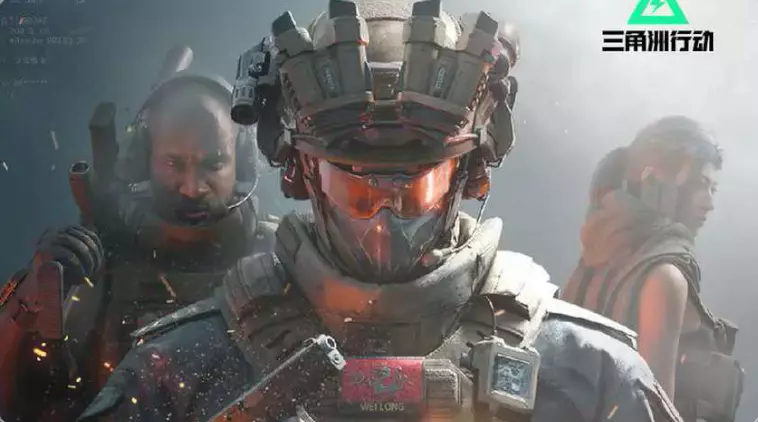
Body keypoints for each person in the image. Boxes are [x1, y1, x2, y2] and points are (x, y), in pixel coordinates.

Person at [78, 1, 682, 421]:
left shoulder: (585, 367)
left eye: (414, 187)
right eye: (358, 190)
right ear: (303, 172)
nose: (385, 222)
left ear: (466, 174)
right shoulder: (181, 366)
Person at [0, 54, 277, 421]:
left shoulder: (283, 261)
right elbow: (15, 400)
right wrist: (33, 300)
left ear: (241, 162)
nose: (192, 188)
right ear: (144, 161)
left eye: (213, 163)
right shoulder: (97, 265)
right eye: (174, 163)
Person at [561, 116, 744, 421]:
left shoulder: (597, 257)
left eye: (714, 188)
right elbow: (653, 413)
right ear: (654, 180)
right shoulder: (666, 276)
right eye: (702, 184)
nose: (709, 203)